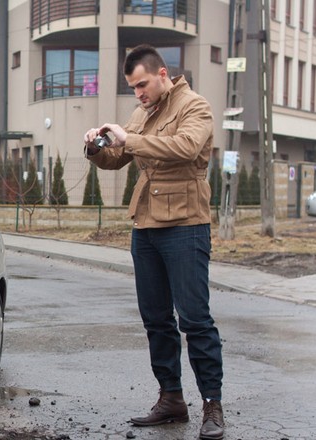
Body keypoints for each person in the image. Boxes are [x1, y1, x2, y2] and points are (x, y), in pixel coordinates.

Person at [82, 44, 225, 440]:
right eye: (133, 88)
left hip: (185, 224)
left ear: (163, 74)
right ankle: (171, 399)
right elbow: (118, 157)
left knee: (195, 320)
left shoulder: (195, 106)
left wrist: (130, 138)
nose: (139, 93)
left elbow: (185, 147)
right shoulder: (141, 112)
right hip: (145, 226)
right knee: (156, 320)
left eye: (142, 84)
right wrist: (97, 146)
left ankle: (211, 404)